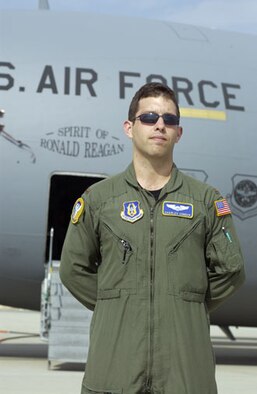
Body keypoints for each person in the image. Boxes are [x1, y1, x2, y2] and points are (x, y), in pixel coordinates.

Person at [60, 82, 245, 394]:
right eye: (149, 117)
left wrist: (182, 303)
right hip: (113, 376)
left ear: (178, 133)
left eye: (169, 120)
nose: (160, 124)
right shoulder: (99, 200)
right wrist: (120, 304)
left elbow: (232, 270)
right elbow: (72, 269)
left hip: (185, 379)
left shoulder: (205, 200)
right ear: (129, 127)